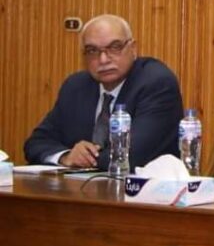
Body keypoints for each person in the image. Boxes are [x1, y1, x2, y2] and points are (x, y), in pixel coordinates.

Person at [24, 14, 184, 170]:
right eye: (92, 50)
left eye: (115, 47)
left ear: (133, 49)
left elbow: (129, 156)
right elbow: (36, 143)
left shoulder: (156, 83)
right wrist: (66, 156)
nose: (103, 60)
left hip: (144, 187)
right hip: (81, 187)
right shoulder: (76, 87)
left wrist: (85, 158)